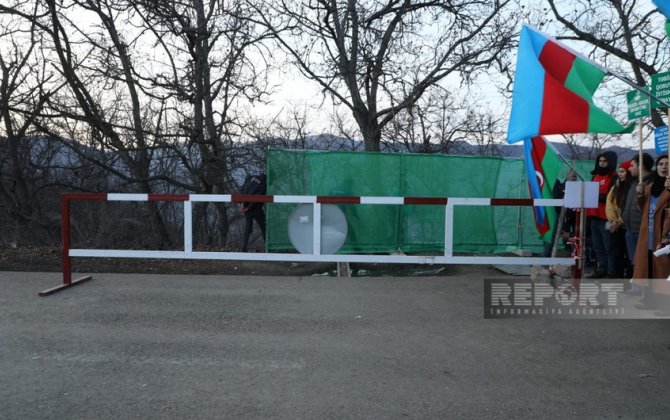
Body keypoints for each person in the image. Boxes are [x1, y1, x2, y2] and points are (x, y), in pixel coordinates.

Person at [632, 154, 670, 307]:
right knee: (649, 266)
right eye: (661, 164)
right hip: (648, 234)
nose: (664, 166)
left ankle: (664, 303)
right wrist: (639, 194)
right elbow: (643, 209)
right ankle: (649, 300)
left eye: (667, 164)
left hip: (663, 234)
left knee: (663, 268)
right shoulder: (650, 186)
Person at [621, 153, 654, 291]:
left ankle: (643, 291)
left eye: (632, 166)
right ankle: (636, 287)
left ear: (641, 166)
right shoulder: (635, 182)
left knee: (641, 261)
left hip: (641, 229)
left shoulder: (652, 184)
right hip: (630, 228)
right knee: (633, 260)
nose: (630, 169)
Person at [586, 151, 617, 279]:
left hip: (607, 218)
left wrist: (596, 196)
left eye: (605, 161)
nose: (602, 163)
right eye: (600, 161)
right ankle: (601, 269)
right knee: (597, 246)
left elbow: (612, 197)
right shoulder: (595, 176)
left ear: (610, 162)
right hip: (594, 216)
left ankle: (611, 271)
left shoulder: (613, 177)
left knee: (609, 246)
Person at [605, 160, 634, 278]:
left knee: (629, 254)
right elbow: (609, 203)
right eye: (619, 172)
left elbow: (630, 208)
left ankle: (629, 279)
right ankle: (619, 277)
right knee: (617, 253)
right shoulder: (616, 187)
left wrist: (620, 221)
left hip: (628, 226)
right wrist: (613, 220)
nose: (620, 174)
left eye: (622, 171)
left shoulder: (632, 187)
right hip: (616, 225)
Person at [240, 173, 267, 252]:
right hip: (255, 208)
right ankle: (268, 247)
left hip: (246, 206)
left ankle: (244, 247)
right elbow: (258, 197)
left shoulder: (251, 177)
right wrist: (249, 207)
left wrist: (243, 204)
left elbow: (242, 189)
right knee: (264, 226)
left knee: (248, 227)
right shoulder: (264, 183)